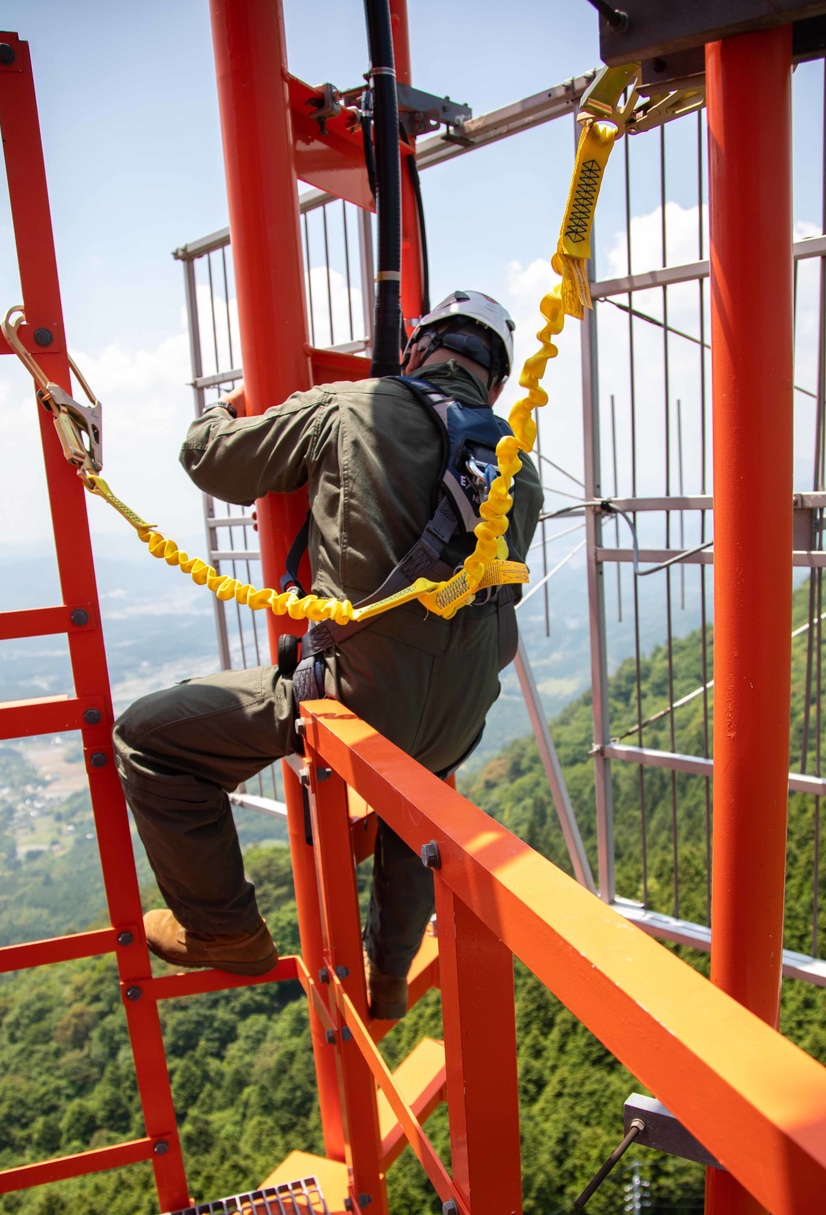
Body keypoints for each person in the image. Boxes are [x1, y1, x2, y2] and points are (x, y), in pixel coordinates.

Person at [112, 290, 544, 1019]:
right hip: (461, 717)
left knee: (149, 740)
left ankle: (225, 929)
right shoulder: (519, 470)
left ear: (417, 350)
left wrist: (226, 408)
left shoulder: (353, 407)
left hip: (362, 700)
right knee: (419, 795)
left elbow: (212, 462)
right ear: (495, 383)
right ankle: (390, 977)